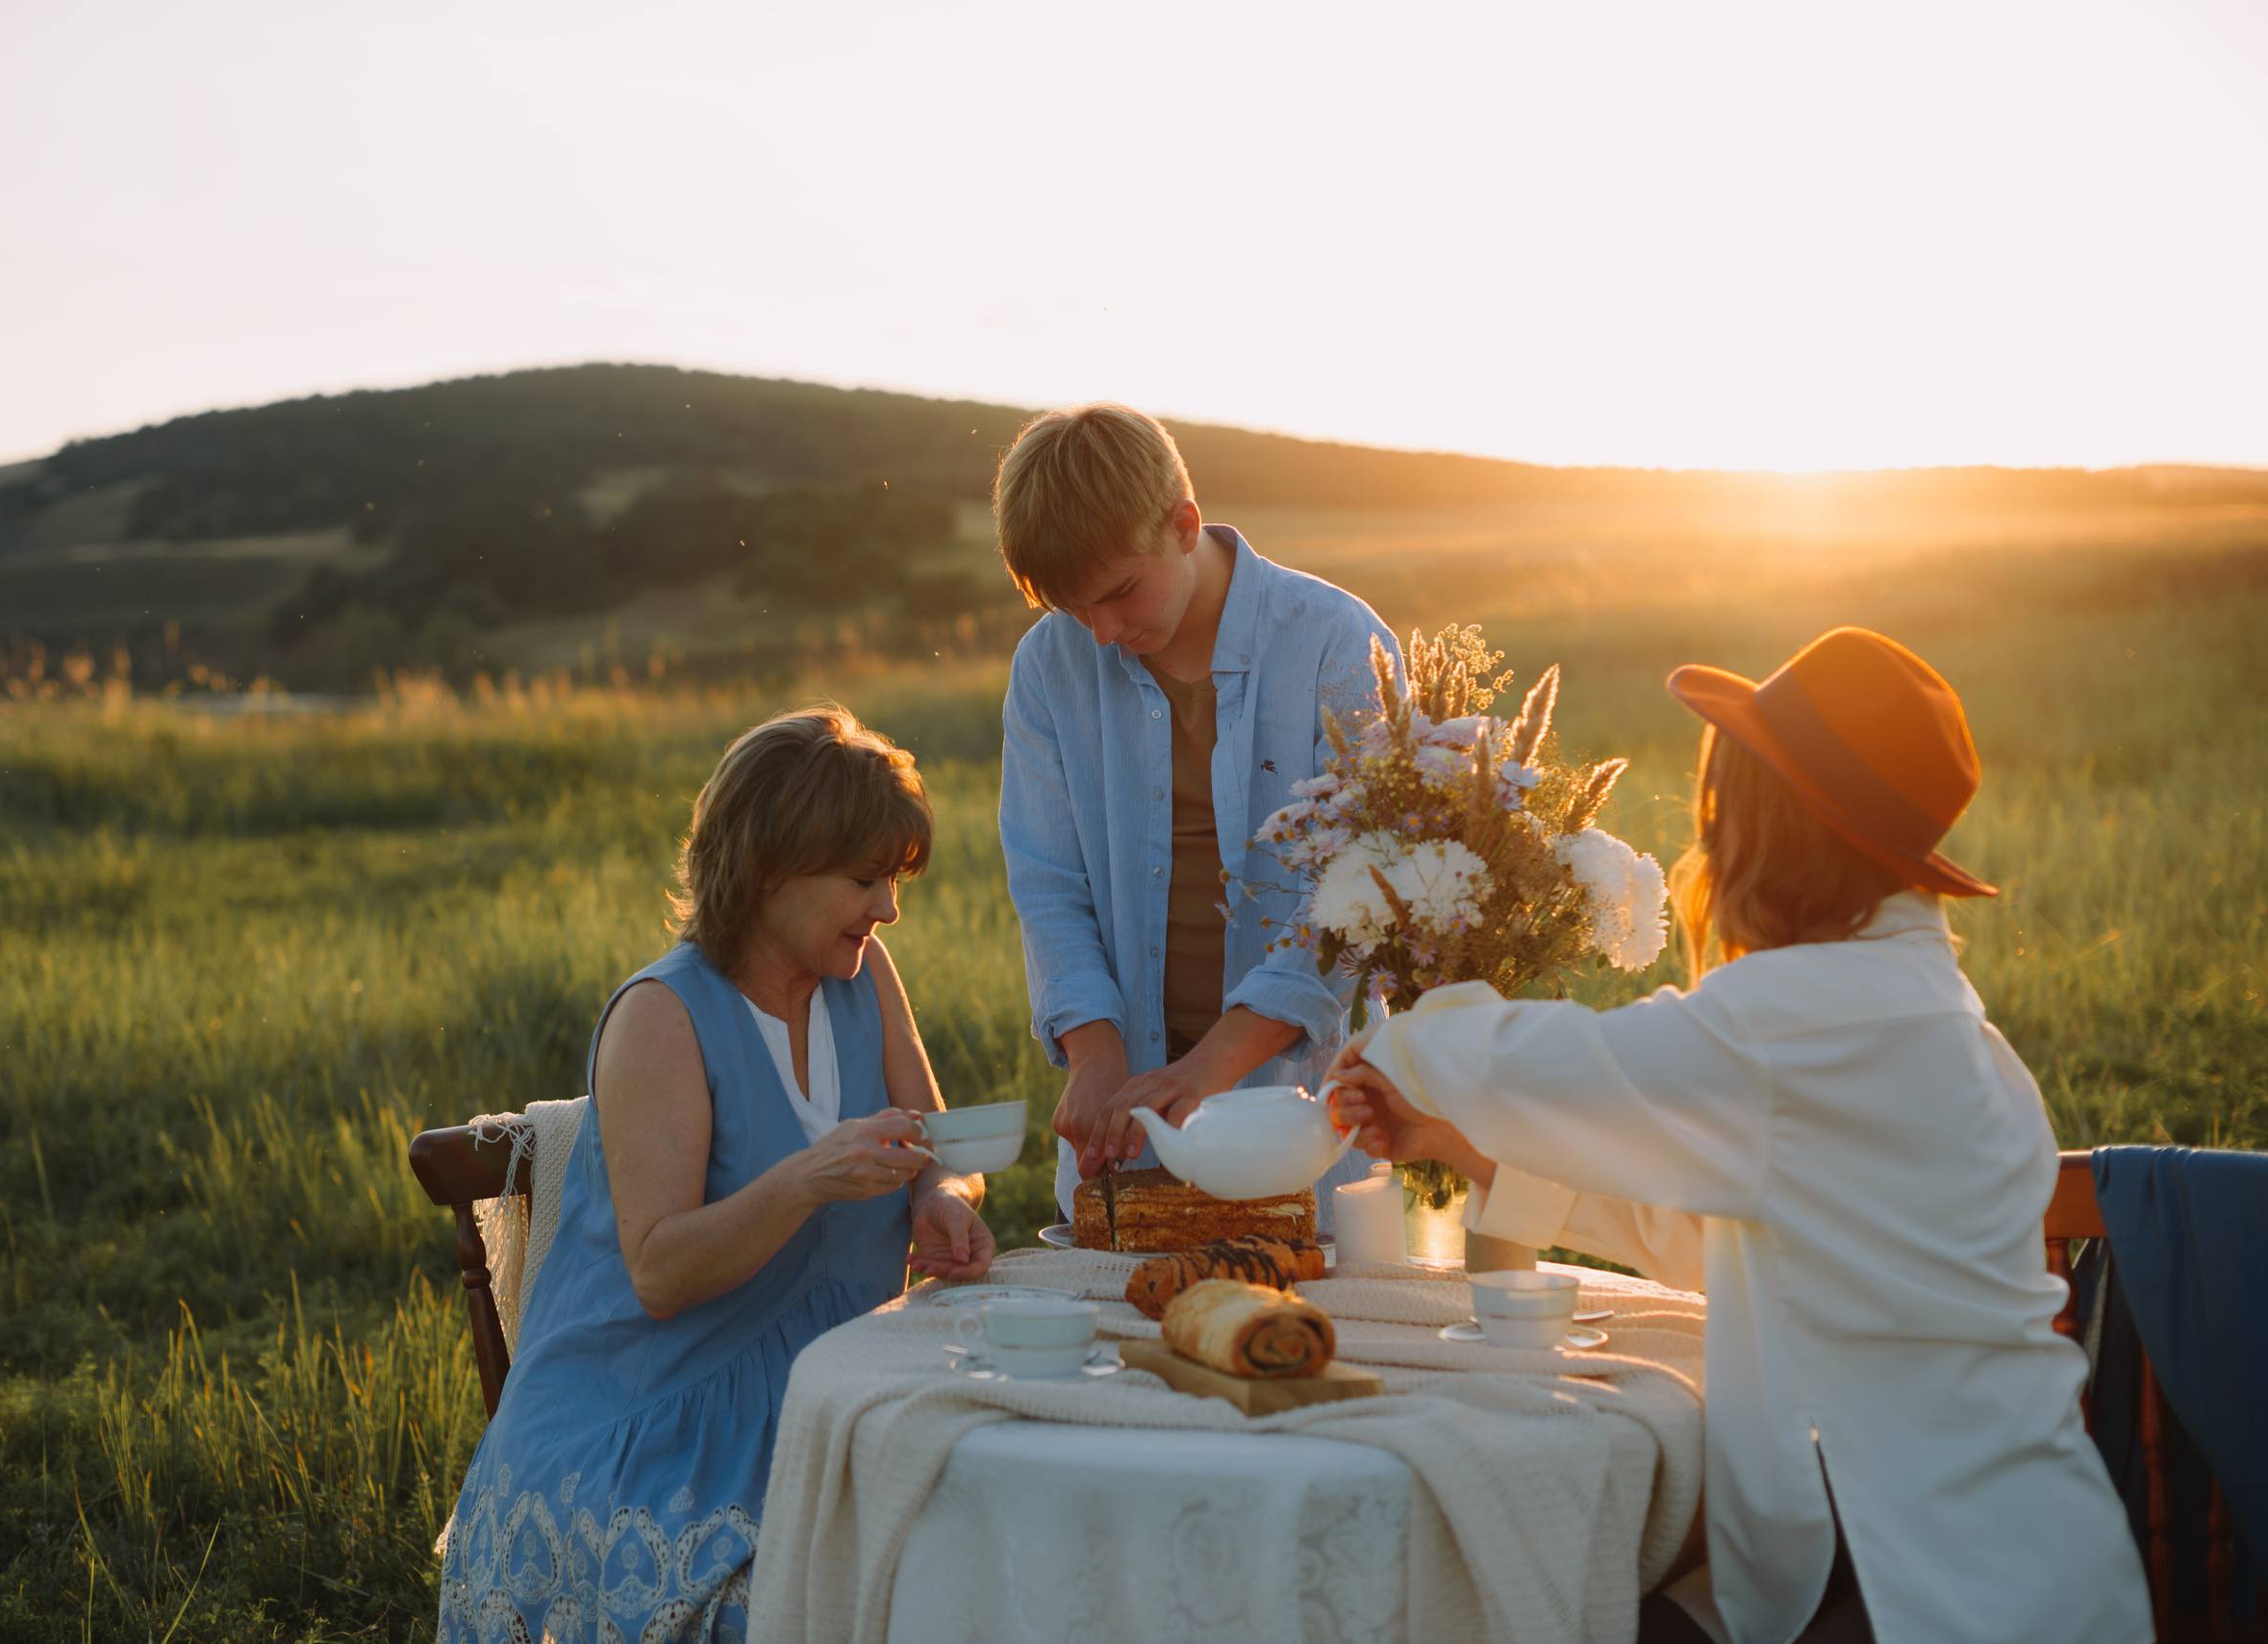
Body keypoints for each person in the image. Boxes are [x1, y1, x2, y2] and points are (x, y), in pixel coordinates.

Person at [1325, 628, 2149, 1644]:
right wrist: (1465, 1147)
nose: (1702, 844)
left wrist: (1398, 1039)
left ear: (1768, 831)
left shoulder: (1795, 1019)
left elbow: (1558, 1060)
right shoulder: (1945, 1019)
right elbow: (1729, 1243)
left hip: (1931, 1582)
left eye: (1715, 811)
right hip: (2043, 1553)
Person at [438, 706, 995, 1644]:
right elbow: (659, 1271)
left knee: (992, 1544)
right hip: (655, 1424)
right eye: (866, 879)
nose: (889, 907)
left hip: (833, 1394)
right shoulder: (663, 1015)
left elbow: (937, 1143)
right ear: (773, 868)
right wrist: (811, 1175)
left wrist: (940, 1194)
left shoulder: (863, 972)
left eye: (893, 879)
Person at [994, 402, 1397, 1226]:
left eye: (1118, 594)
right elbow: (1048, 883)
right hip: (1122, 1133)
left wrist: (1206, 1070)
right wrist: (1096, 1056)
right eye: (1076, 611)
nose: (1102, 634)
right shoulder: (1046, 665)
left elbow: (1352, 902)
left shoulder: (1338, 645)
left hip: (1294, 1120)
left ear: (1184, 524)